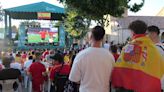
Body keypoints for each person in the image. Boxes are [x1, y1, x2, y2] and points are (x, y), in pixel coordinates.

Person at [112, 20, 164, 92]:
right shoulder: (153, 48)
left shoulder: (128, 47)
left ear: (133, 32)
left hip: (130, 87)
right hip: (147, 86)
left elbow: (120, 68)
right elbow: (160, 67)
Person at [69, 26, 114, 92]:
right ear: (103, 38)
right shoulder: (109, 56)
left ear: (90, 37)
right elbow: (112, 78)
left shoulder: (81, 55)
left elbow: (74, 79)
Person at [147, 25, 164, 91]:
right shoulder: (161, 47)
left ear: (153, 34)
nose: (146, 36)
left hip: (157, 84)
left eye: (147, 34)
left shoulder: (155, 49)